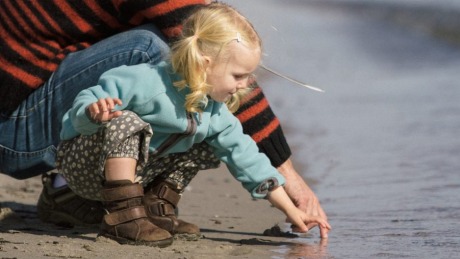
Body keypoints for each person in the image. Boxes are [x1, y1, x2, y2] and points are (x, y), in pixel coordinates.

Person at [0, 0, 329, 237]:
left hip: (79, 141)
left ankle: (155, 207)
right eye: (240, 76)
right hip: (22, 133)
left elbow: (246, 157)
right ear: (202, 63)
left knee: (211, 139)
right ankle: (122, 215)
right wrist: (93, 114)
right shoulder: (144, 80)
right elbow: (85, 105)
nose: (247, 85)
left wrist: (290, 205)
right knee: (147, 50)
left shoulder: (213, 110)